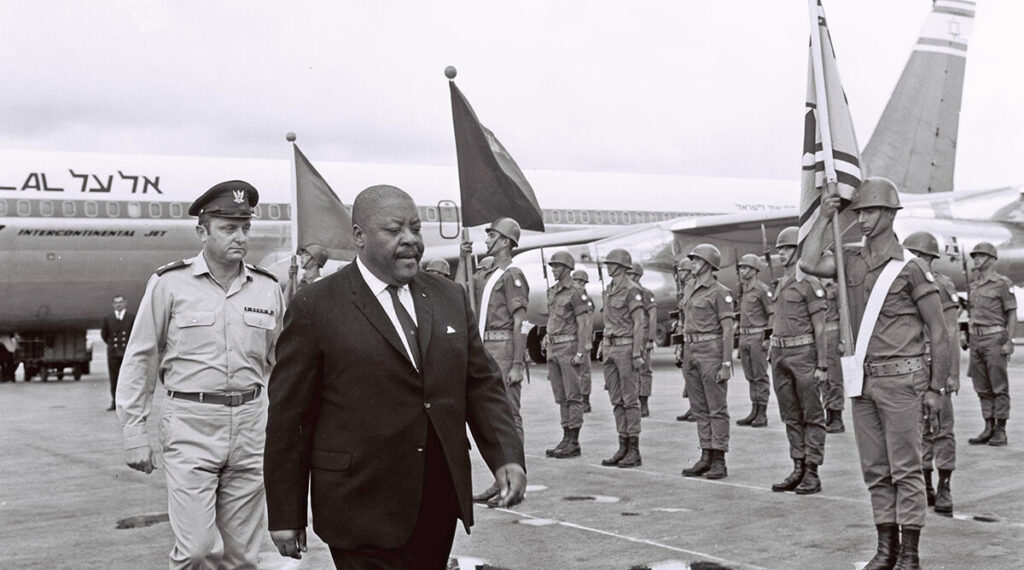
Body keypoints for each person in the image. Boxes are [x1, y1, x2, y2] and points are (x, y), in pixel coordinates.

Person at [264, 185, 525, 567]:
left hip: (435, 501)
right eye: (394, 230)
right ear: (359, 237)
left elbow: (481, 386)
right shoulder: (316, 306)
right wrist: (285, 512)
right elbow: (290, 417)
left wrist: (506, 456)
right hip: (358, 505)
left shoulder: (449, 297)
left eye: (415, 229)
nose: (410, 240)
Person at [116, 180, 285, 569]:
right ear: (202, 231)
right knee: (197, 550)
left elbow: (282, 365)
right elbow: (140, 357)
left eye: (245, 227)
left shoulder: (267, 288)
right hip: (191, 426)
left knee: (242, 557)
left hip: (251, 426)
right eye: (228, 228)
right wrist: (134, 433)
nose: (240, 237)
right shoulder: (169, 284)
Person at [801, 177, 949, 570]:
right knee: (875, 471)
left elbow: (939, 329)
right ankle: (886, 551)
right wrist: (825, 216)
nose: (862, 219)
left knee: (906, 470)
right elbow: (809, 262)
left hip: (903, 381)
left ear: (888, 213)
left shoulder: (912, 268)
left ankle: (911, 556)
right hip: (862, 380)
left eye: (868, 211)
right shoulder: (850, 259)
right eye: (859, 211)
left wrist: (936, 388)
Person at [461, 217, 529, 503]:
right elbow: (464, 290)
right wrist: (465, 256)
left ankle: (515, 480)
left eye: (490, 236)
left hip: (502, 346)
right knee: (490, 415)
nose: (486, 240)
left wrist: (516, 363)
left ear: (504, 241)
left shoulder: (512, 275)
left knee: (508, 415)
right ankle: (499, 476)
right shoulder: (491, 276)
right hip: (487, 346)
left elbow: (520, 323)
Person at [768, 227, 828, 495]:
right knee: (790, 415)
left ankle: (812, 471)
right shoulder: (781, 283)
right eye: (780, 248)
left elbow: (821, 328)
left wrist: (823, 365)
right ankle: (798, 466)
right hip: (780, 355)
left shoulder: (810, 284)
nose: (781, 253)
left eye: (787, 248)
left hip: (803, 356)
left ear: (799, 250)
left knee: (812, 415)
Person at [904, 231, 959, 514]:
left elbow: (949, 332)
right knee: (920, 429)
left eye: (919, 256)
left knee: (943, 428)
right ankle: (925, 483)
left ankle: (944, 484)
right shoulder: (902, 283)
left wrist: (952, 374)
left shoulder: (941, 285)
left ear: (929, 259)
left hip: (937, 364)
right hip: (913, 366)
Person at [679, 244, 734, 480]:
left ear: (709, 264)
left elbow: (728, 329)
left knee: (716, 408)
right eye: (692, 259)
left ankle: (719, 459)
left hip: (710, 351)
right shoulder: (689, 287)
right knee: (700, 408)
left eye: (697, 259)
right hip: (691, 350)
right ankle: (706, 454)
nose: (692, 262)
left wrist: (726, 363)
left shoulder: (720, 292)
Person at [597, 248, 646, 468]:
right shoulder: (609, 290)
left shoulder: (631, 290)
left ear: (621, 266)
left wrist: (637, 352)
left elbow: (639, 323)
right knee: (616, 399)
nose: (607, 266)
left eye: (610, 263)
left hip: (626, 349)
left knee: (629, 399)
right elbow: (609, 321)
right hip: (610, 348)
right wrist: (602, 344)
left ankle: (634, 449)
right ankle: (623, 445)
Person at [964, 241, 1015, 447]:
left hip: (995, 340)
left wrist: (1009, 341)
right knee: (981, 386)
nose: (976, 259)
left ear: (992, 260)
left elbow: (1011, 313)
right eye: (974, 256)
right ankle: (988, 426)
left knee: (999, 386)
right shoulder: (973, 286)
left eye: (981, 255)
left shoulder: (1002, 283)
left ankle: (1000, 429)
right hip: (976, 340)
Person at [543, 252, 593, 458]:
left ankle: (574, 440)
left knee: (574, 396)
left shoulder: (576, 292)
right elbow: (553, 319)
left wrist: (581, 351)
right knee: (561, 397)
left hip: (569, 348)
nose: (553, 270)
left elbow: (583, 324)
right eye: (552, 266)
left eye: (556, 266)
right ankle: (565, 437)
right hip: (554, 348)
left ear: (566, 268)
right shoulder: (552, 291)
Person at [735, 253, 773, 428]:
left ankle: (762, 413)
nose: (742, 271)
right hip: (744, 337)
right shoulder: (742, 289)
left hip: (757, 336)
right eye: (741, 267)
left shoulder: (762, 289)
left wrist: (767, 338)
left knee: (760, 375)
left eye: (745, 267)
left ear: (754, 269)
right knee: (750, 376)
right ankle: (754, 409)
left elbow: (772, 314)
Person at [626, 263, 658, 417]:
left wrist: (651, 339)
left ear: (637, 276)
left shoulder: (645, 293)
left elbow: (652, 316)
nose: (627, 277)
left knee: (644, 370)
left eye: (630, 274)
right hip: (629, 336)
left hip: (643, 336)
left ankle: (644, 403)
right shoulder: (626, 293)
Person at [673, 257, 697, 422]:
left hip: (696, 336)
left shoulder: (694, 288)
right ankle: (692, 406)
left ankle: (698, 408)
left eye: (682, 270)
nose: (679, 273)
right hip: (685, 334)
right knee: (687, 372)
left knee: (694, 374)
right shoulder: (683, 290)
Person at [100, 295, 135, 411]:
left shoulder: (131, 318)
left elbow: (135, 334)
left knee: (129, 379)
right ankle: (115, 402)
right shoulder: (108, 318)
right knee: (114, 379)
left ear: (125, 303)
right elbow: (104, 335)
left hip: (127, 353)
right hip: (113, 353)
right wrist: (112, 346)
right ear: (113, 305)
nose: (118, 305)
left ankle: (129, 403)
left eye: (121, 302)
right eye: (116, 303)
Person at [821, 278, 847, 433]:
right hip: (820, 335)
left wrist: (843, 340)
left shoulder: (836, 288)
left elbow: (843, 313)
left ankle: (837, 417)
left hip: (833, 333)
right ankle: (829, 413)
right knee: (823, 379)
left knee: (835, 377)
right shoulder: (815, 286)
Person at [571, 269, 596, 413]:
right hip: (570, 339)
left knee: (585, 371)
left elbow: (588, 322)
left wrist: (586, 341)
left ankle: (585, 400)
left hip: (583, 339)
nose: (579, 285)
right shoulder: (570, 297)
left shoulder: (587, 300)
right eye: (576, 281)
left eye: (582, 282)